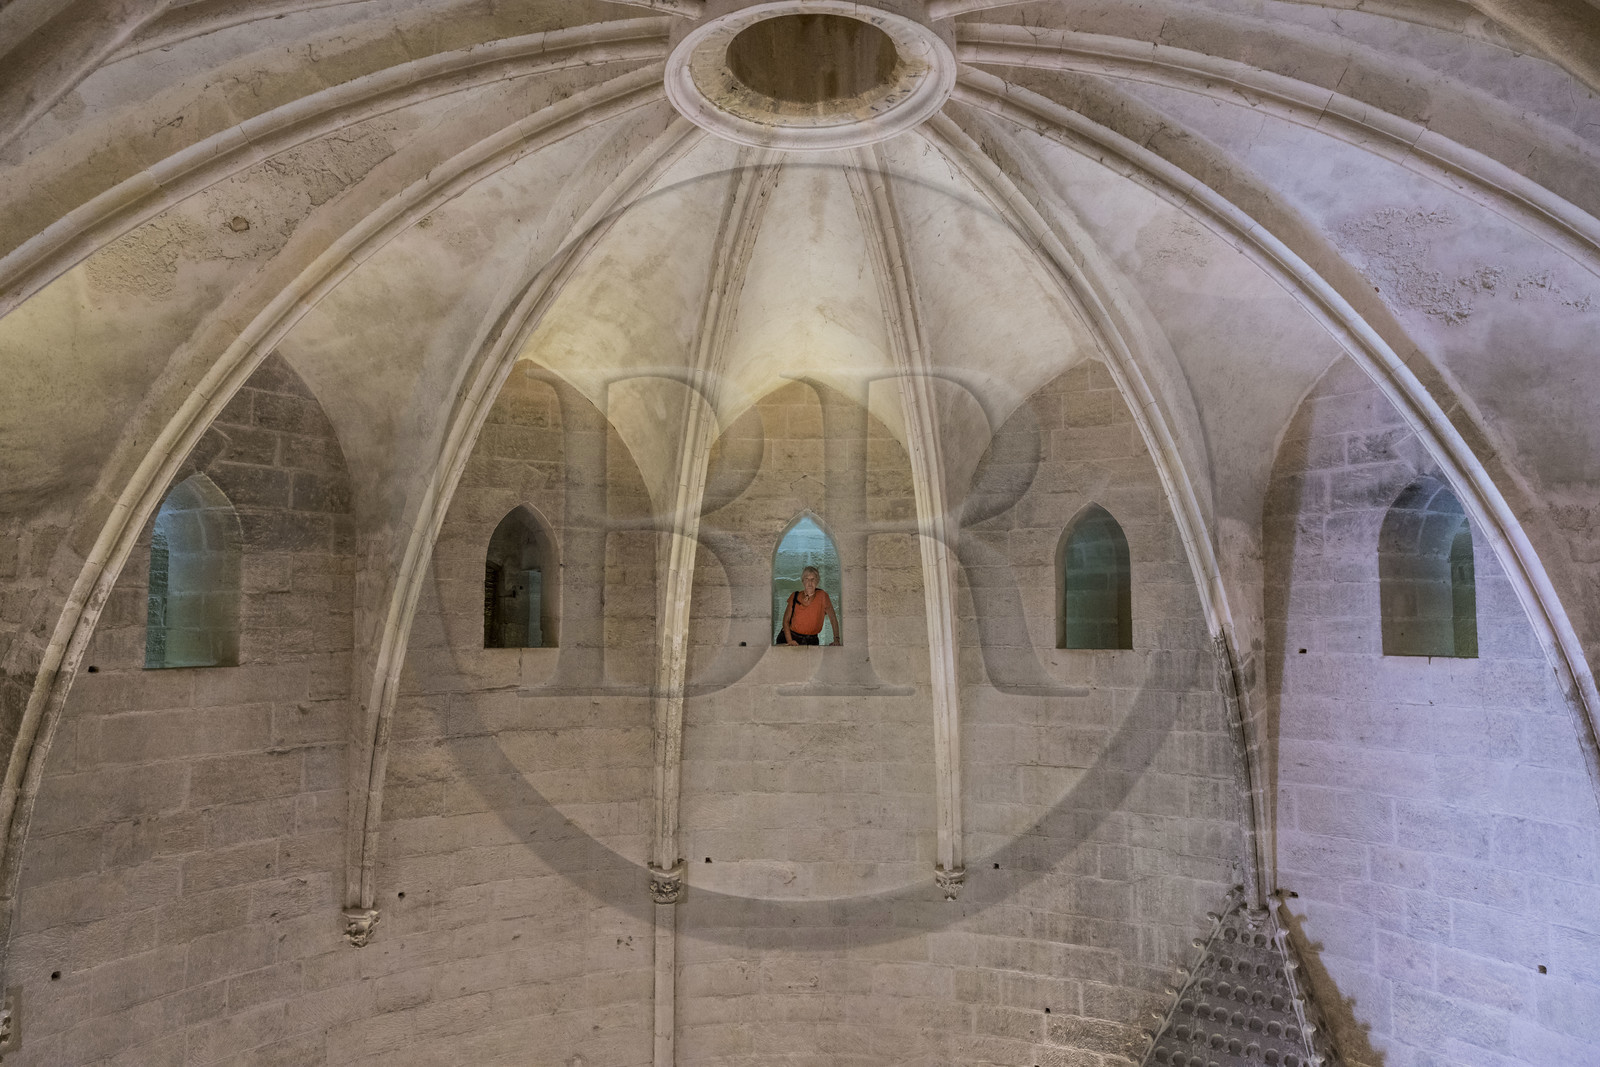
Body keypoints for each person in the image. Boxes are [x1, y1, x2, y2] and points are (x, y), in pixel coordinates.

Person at [779, 565, 841, 646]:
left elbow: (833, 618)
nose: (810, 583)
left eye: (813, 579)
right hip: (793, 638)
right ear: (803, 581)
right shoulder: (794, 596)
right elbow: (785, 621)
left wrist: (836, 639)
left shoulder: (822, 596)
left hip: (812, 640)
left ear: (817, 581)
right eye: (806, 579)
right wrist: (790, 641)